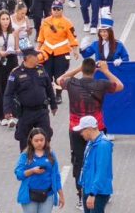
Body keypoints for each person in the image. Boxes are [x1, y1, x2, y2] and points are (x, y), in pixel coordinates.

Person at [57, 58, 123, 203]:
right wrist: (106, 71)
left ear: (83, 69)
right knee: (101, 160)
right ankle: (103, 191)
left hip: (76, 129)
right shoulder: (101, 84)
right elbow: (120, 86)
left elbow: (60, 79)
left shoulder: (72, 83)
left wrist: (77, 69)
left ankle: (81, 195)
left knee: (79, 161)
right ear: (94, 70)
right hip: (96, 128)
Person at [4, 48, 58, 151]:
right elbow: (8, 94)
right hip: (26, 113)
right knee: (24, 141)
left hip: (42, 111)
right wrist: (7, 110)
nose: (38, 57)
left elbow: (49, 88)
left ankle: (46, 161)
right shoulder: (16, 73)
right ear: (28, 58)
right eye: (35, 56)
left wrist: (53, 105)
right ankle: (26, 163)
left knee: (45, 138)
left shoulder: (41, 69)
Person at [37, 1, 80, 104]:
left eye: (58, 9)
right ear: (51, 10)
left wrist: (75, 50)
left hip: (61, 52)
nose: (56, 11)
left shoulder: (67, 22)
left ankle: (58, 95)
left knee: (59, 75)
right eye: (54, 9)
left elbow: (73, 38)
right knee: (46, 74)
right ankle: (48, 95)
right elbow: (41, 37)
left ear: (62, 10)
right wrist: (38, 49)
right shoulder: (46, 21)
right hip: (47, 51)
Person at [14, 128, 65, 213]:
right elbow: (19, 174)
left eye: (41, 140)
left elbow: (56, 176)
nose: (39, 143)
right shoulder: (25, 155)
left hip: (47, 195)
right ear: (31, 140)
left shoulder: (51, 155)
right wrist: (32, 171)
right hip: (30, 196)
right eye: (36, 140)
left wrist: (61, 196)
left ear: (45, 140)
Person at [74, 116, 113, 213]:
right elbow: (86, 167)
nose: (81, 133)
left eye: (82, 130)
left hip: (97, 193)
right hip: (88, 189)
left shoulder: (103, 145)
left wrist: (92, 194)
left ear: (89, 129)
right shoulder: (90, 143)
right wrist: (83, 187)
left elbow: (101, 173)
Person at [0, 9, 20, 125]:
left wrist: (18, 50)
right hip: (0, 61)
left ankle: (13, 113)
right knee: (0, 89)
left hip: (12, 60)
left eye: (7, 19)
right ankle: (2, 115)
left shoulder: (14, 32)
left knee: (12, 87)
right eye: (3, 19)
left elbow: (17, 47)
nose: (5, 21)